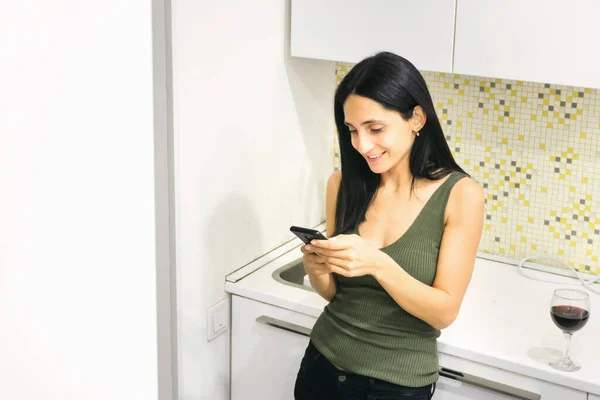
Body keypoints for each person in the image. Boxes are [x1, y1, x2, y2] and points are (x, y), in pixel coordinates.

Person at [293, 51, 484, 400]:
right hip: (321, 364)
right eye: (352, 130)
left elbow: (444, 312)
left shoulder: (461, 194)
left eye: (376, 128)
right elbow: (336, 294)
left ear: (417, 118)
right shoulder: (343, 184)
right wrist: (317, 266)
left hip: (396, 385)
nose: (362, 145)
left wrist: (378, 264)